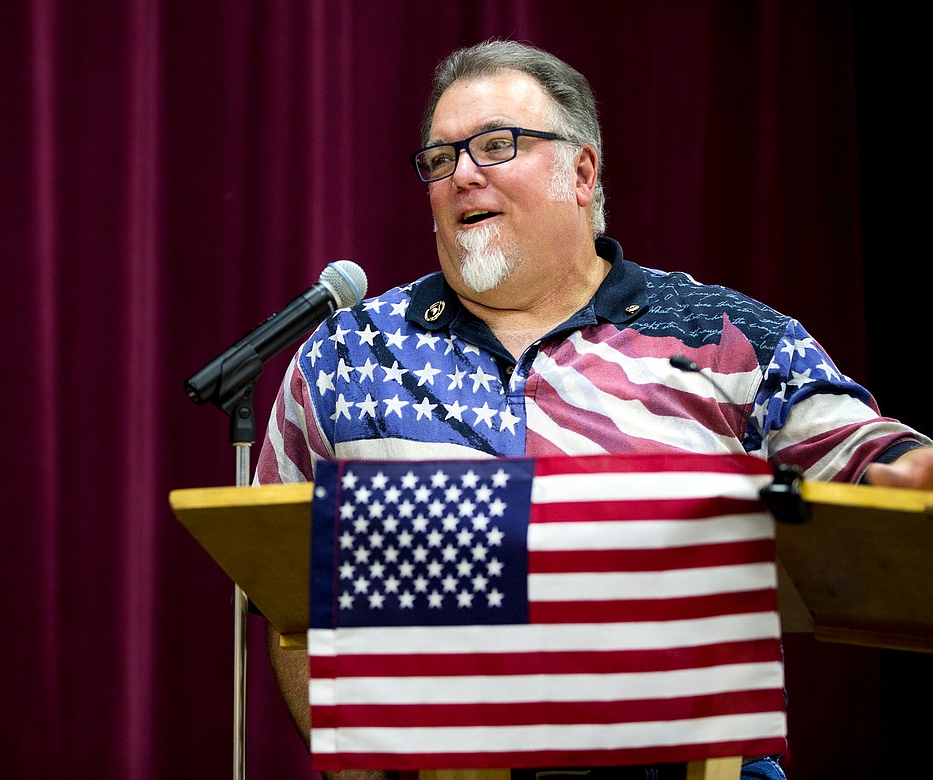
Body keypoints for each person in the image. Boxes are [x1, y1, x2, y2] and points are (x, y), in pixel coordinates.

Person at [252, 39, 933, 780]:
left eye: (495, 145)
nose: (462, 174)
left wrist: (907, 471)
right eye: (440, 158)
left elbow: (868, 454)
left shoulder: (727, 338)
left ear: (581, 172)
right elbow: (289, 599)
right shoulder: (346, 358)